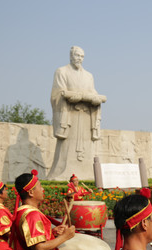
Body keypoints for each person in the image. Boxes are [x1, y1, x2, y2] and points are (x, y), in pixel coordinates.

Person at [48, 46, 107, 179]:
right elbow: (56, 94)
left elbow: (93, 93)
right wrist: (69, 97)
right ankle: (61, 173)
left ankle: (87, 173)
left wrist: (96, 99)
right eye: (77, 55)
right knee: (66, 148)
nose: (79, 58)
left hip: (86, 116)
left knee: (87, 149)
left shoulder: (88, 76)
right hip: (69, 116)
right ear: (71, 56)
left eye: (81, 56)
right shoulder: (61, 71)